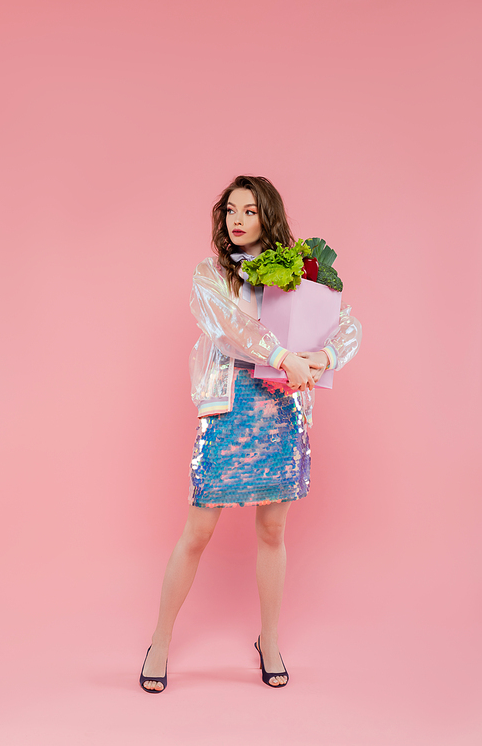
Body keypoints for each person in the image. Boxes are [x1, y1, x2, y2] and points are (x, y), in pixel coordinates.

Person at [140, 175, 362, 692]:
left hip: (283, 409)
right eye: (230, 211)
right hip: (229, 408)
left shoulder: (303, 271)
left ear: (268, 216)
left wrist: (323, 357)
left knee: (272, 532)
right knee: (197, 531)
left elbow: (344, 323)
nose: (237, 220)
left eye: (250, 211)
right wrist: (283, 354)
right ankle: (160, 640)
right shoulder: (211, 275)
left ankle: (269, 639)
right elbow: (228, 328)